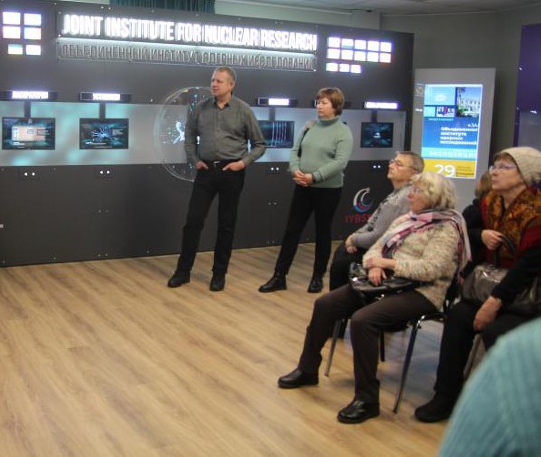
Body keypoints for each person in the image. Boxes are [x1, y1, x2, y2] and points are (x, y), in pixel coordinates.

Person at [276, 172, 469, 424]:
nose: (410, 195)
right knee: (325, 304)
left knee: (363, 320)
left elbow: (431, 269)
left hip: (422, 291)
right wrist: (373, 264)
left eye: (417, 191)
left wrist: (387, 264)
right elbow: (376, 247)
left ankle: (367, 399)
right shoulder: (406, 219)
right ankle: (307, 369)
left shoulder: (446, 227)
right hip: (382, 282)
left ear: (434, 197)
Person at [415, 146, 541, 422]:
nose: (494, 172)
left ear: (525, 175)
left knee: (497, 332)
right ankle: (446, 396)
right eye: (495, 166)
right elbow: (464, 231)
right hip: (491, 282)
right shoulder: (489, 202)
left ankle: (505, 409)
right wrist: (481, 234)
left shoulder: (537, 211)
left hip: (528, 293)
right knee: (458, 317)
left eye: (504, 167)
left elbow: (529, 265)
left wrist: (494, 303)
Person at [167, 66, 266, 292]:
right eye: (212, 80)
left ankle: (219, 274)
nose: (214, 84)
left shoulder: (243, 110)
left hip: (232, 172)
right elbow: (189, 135)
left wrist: (242, 163)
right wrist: (194, 159)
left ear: (231, 85)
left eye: (219, 81)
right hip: (206, 171)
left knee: (226, 224)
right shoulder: (201, 108)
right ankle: (183, 272)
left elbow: (260, 144)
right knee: (193, 221)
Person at [259, 87, 354, 294]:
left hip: (328, 190)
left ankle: (317, 277)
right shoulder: (309, 126)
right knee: (292, 231)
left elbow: (340, 162)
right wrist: (295, 170)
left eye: (324, 102)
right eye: (318, 102)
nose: (319, 106)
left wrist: (315, 176)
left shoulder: (343, 132)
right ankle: (279, 276)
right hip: (303, 187)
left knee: (322, 232)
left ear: (336, 106)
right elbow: (295, 151)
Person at [438, 317, 541, 456]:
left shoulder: (522, 352)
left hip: (522, 312)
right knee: (459, 316)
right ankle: (445, 395)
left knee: (494, 331)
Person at [328, 151, 424, 291]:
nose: (391, 165)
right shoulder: (395, 194)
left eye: (398, 164)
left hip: (389, 252)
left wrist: (353, 239)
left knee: (343, 260)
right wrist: (354, 238)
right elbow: (370, 224)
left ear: (413, 173)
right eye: (392, 161)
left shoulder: (402, 199)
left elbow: (379, 236)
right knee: (343, 250)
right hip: (377, 246)